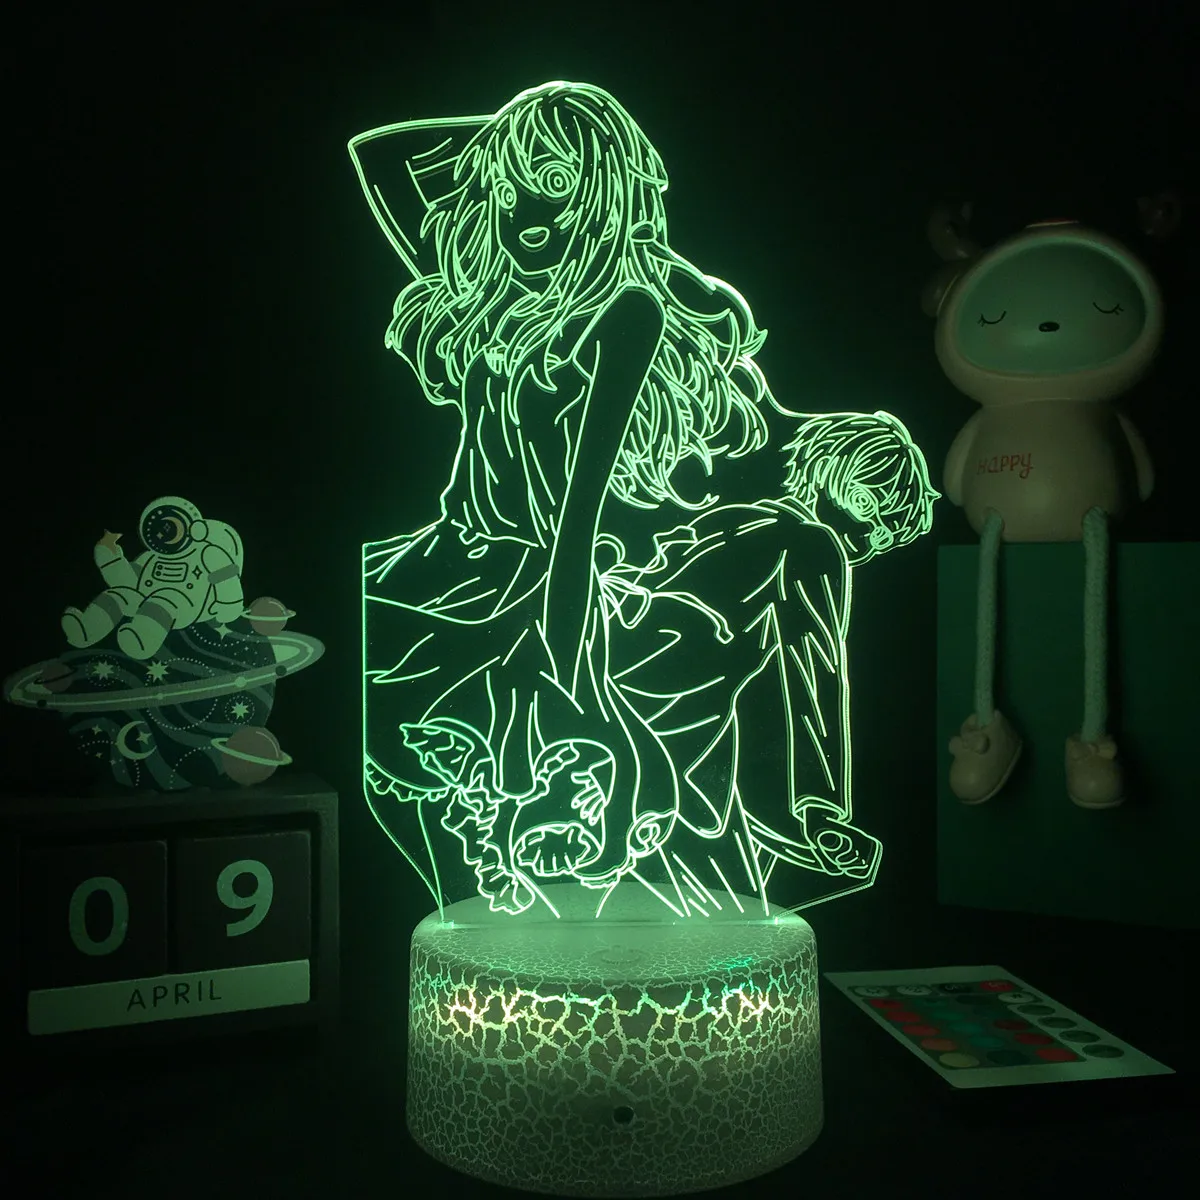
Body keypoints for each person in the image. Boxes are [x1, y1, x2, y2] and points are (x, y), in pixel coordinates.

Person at [354, 82, 926, 916]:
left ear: (604, 203)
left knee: (802, 551)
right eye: (513, 195)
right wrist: (536, 144)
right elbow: (383, 159)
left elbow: (582, 517)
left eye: (557, 191)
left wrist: (574, 657)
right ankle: (795, 817)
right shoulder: (492, 307)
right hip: (462, 575)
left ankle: (800, 816)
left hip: (559, 583)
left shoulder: (630, 315)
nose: (528, 219)